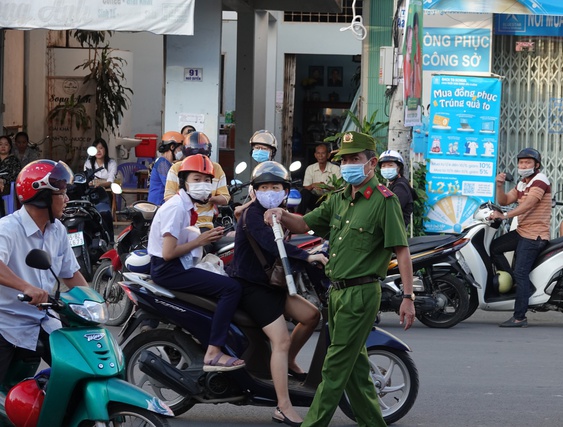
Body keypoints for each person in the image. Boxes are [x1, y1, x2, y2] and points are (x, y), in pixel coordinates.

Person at [265, 131, 415, 427]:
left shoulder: (385, 202)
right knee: (355, 371)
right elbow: (305, 224)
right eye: (344, 159)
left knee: (333, 369)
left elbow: (402, 251)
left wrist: (408, 298)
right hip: (336, 294)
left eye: (354, 159)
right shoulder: (339, 199)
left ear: (371, 162)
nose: (348, 164)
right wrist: (280, 214)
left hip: (361, 294)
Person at [228, 161, 326, 426]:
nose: (269, 191)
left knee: (311, 315)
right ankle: (282, 406)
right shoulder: (253, 215)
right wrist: (308, 257)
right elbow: (274, 247)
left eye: (275, 187)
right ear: (255, 191)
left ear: (284, 191)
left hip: (273, 285)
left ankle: (290, 361)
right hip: (252, 287)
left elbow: (304, 227)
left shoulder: (279, 212)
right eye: (264, 187)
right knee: (280, 341)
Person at [148, 154, 244, 371]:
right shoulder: (176, 208)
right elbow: (168, 253)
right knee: (231, 289)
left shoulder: (187, 206)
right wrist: (201, 240)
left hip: (179, 265)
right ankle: (214, 352)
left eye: (207, 180)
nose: (203, 185)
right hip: (169, 269)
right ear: (184, 182)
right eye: (196, 179)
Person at [0, 159, 88, 384]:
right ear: (42, 196)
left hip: (44, 320)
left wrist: (93, 301)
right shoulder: (8, 228)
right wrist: (26, 287)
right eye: (61, 193)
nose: (66, 199)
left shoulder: (57, 229)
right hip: (7, 324)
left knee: (80, 370)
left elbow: (70, 274)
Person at [489, 148, 552, 328]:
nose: (523, 166)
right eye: (521, 162)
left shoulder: (540, 180)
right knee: (495, 248)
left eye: (528, 163)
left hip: (535, 235)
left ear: (536, 165)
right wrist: (499, 186)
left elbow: (529, 204)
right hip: (523, 231)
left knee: (521, 272)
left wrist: (505, 216)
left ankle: (520, 317)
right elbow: (505, 201)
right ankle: (514, 282)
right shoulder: (523, 183)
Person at [164, 131, 230, 230]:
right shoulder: (176, 168)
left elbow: (225, 198)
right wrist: (190, 198)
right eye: (196, 179)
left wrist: (208, 198)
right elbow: (168, 197)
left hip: (205, 226)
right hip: (183, 223)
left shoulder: (216, 168)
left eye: (207, 180)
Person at [234, 130, 279, 219]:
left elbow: (263, 199)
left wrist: (242, 207)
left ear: (272, 152)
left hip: (267, 215)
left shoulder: (272, 171)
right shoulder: (258, 169)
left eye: (264, 149)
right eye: (257, 148)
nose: (259, 151)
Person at [298, 143, 341, 214]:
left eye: (323, 153)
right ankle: (298, 216)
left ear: (328, 155)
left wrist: (326, 187)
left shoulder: (335, 169)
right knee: (304, 192)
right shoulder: (310, 168)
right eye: (318, 153)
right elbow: (306, 187)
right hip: (315, 200)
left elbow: (339, 189)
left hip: (329, 200)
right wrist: (313, 185)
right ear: (315, 155)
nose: (320, 156)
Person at [379, 149, 416, 227]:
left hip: (396, 229)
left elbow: (391, 209)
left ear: (399, 167)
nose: (386, 168)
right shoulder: (393, 184)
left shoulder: (400, 186)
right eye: (383, 166)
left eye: (390, 165)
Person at [148, 131, 184, 205]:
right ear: (172, 147)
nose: (182, 152)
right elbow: (170, 184)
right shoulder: (162, 163)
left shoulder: (166, 163)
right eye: (180, 149)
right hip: (158, 204)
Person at [0, 136, 22, 217]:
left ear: (10, 147)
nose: (3, 146)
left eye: (6, 144)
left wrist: (3, 180)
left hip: (8, 189)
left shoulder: (14, 160)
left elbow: (17, 175)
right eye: (0, 144)